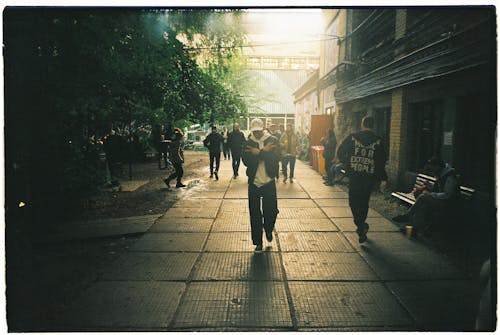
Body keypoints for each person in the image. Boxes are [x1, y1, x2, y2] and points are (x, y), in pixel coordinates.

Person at [338, 116, 388, 243]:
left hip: (355, 176)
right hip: (369, 177)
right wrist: (383, 178)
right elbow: (382, 160)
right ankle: (361, 225)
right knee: (364, 201)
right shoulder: (379, 141)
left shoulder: (352, 137)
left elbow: (340, 151)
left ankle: (360, 226)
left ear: (362, 124)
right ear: (373, 126)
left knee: (353, 201)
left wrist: (346, 163)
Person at [392, 156, 460, 233]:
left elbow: (447, 195)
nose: (432, 170)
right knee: (423, 205)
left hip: (449, 204)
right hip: (442, 201)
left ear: (438, 166)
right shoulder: (441, 173)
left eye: (432, 168)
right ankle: (415, 228)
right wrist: (430, 187)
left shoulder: (449, 176)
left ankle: (408, 216)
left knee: (423, 197)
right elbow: (438, 190)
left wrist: (431, 194)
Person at [242, 118, 280, 253]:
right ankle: (257, 242)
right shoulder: (248, 142)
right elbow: (246, 161)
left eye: (259, 131)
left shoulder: (273, 140)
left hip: (269, 181)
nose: (257, 133)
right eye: (255, 131)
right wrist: (264, 152)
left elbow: (276, 158)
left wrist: (259, 152)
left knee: (272, 210)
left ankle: (268, 229)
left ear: (263, 128)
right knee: (255, 213)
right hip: (254, 183)